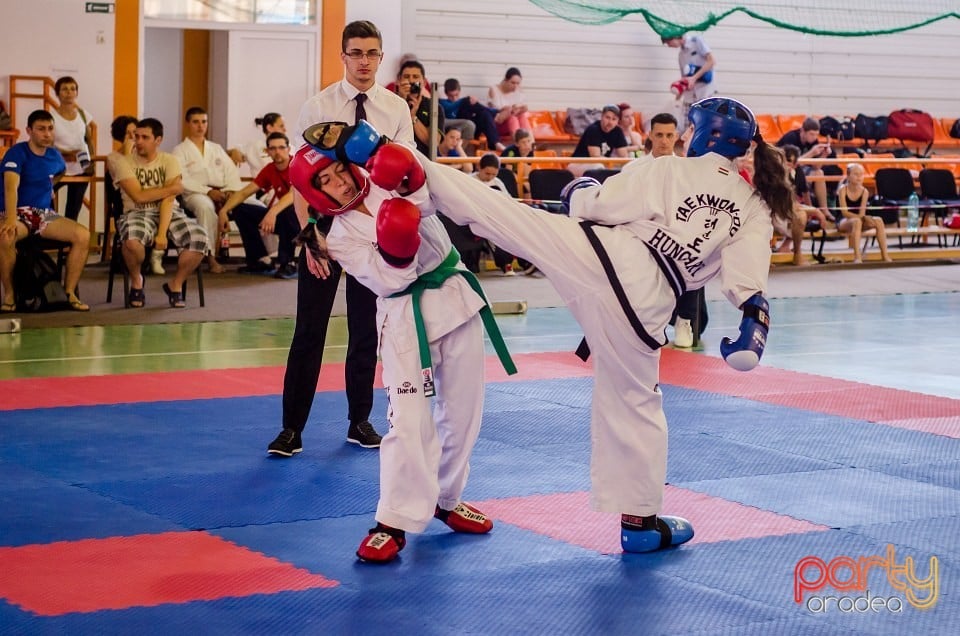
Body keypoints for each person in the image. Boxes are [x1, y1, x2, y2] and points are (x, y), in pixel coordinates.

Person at [392, 96, 791, 553]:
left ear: (701, 134)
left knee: (506, 218)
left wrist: (579, 190)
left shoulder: (667, 167)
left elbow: (599, 206)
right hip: (647, 308)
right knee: (637, 405)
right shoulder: (756, 207)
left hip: (604, 258)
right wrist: (752, 323)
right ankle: (640, 523)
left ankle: (409, 166)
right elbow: (747, 283)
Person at [288, 124, 516, 563]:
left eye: (339, 171)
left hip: (456, 299)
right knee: (408, 425)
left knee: (465, 414)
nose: (340, 183)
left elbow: (433, 197)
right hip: (404, 320)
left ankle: (445, 499)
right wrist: (396, 239)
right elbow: (389, 278)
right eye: (326, 182)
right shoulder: (337, 236)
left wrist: (404, 173)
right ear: (316, 194)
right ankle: (392, 521)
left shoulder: (384, 178)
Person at [266, 19, 415, 457]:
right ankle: (291, 429)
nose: (364, 61)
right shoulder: (318, 106)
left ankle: (360, 420)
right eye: (356, 53)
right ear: (343, 55)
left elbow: (405, 172)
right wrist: (310, 234)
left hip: (373, 230)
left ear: (381, 57)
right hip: (325, 229)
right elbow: (300, 177)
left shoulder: (396, 109)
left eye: (372, 53)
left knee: (366, 330)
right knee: (309, 330)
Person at [108, 118, 209, 309]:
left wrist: (162, 234)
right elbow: (138, 196)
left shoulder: (170, 160)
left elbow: (169, 200)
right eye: (136, 136)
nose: (138, 141)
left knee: (200, 239)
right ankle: (137, 279)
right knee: (131, 241)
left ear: (158, 140)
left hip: (170, 211)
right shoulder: (124, 162)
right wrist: (171, 188)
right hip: (136, 213)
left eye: (144, 137)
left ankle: (175, 284)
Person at [626, 112, 704, 348]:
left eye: (669, 135)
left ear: (677, 137)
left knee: (695, 258)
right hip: (642, 236)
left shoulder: (687, 169)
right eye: (659, 135)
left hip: (678, 238)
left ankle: (685, 320)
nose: (663, 140)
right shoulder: (633, 169)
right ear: (649, 135)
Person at [1, 109, 91, 312]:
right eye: (41, 129)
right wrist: (10, 219)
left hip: (43, 214)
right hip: (17, 212)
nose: (47, 133)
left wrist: (50, 187)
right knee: (6, 237)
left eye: (50, 129)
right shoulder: (17, 152)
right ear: (29, 131)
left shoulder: (55, 156)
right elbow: (10, 187)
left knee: (83, 235)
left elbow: (59, 173)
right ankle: (9, 295)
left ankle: (68, 293)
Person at [217, 132, 300, 278]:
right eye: (273, 148)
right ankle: (260, 260)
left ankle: (288, 263)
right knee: (240, 209)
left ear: (288, 149)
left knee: (289, 210)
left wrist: (272, 212)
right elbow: (244, 193)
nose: (277, 152)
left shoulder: (297, 165)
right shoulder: (270, 169)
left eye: (281, 147)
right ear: (268, 152)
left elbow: (293, 195)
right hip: (282, 217)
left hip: (304, 220)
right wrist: (223, 211)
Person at [172, 106, 244, 274]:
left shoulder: (216, 148)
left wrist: (231, 190)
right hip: (194, 194)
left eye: (204, 122)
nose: (200, 126)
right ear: (188, 124)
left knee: (251, 203)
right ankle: (211, 257)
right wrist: (207, 191)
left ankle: (264, 256)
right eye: (196, 122)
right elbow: (182, 179)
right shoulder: (180, 150)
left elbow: (231, 171)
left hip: (222, 191)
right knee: (205, 208)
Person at [50, 76, 95, 222]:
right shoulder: (51, 117)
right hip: (57, 168)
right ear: (57, 93)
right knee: (47, 207)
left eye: (72, 89)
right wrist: (64, 155)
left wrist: (91, 161)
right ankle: (49, 239)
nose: (69, 92)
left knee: (73, 212)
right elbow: (46, 144)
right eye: (64, 89)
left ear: (76, 93)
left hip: (80, 168)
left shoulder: (83, 115)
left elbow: (89, 139)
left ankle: (69, 243)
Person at [776, 117, 841, 217]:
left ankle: (824, 210)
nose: (814, 137)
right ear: (802, 131)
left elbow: (816, 167)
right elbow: (790, 164)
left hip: (800, 171)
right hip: (781, 171)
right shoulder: (791, 138)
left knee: (819, 173)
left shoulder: (813, 142)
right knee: (804, 174)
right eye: (811, 134)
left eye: (816, 134)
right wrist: (811, 153)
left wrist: (824, 155)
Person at [835, 162, 893, 263]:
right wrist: (861, 218)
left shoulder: (864, 191)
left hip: (858, 220)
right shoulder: (842, 190)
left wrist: (865, 218)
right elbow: (844, 212)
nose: (859, 177)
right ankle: (857, 257)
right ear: (848, 176)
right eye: (856, 174)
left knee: (878, 220)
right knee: (857, 222)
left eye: (861, 174)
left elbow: (862, 213)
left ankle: (885, 255)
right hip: (844, 221)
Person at [662, 32, 717, 122]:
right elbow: (684, 78)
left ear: (674, 37)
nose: (669, 46)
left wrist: (694, 78)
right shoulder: (681, 55)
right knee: (688, 125)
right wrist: (676, 101)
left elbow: (711, 61)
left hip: (704, 92)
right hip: (690, 97)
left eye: (668, 42)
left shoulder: (696, 41)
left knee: (704, 122)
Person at [395, 60, 444, 157]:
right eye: (406, 77)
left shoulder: (434, 107)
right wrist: (401, 101)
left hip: (423, 162)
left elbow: (434, 143)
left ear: (424, 82)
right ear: (399, 80)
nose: (411, 81)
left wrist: (413, 117)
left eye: (416, 77)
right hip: (397, 158)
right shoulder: (389, 103)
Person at [439, 78, 502, 151]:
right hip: (454, 128)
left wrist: (499, 111)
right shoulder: (442, 103)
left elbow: (481, 107)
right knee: (468, 103)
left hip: (471, 129)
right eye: (451, 96)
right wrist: (466, 99)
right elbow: (450, 107)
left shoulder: (463, 102)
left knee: (485, 114)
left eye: (456, 95)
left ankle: (495, 143)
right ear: (446, 93)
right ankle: (495, 114)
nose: (454, 98)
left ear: (459, 91)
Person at [569, 104, 628, 177]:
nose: (610, 122)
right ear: (602, 116)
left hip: (602, 164)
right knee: (598, 168)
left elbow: (624, 156)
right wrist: (613, 163)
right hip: (578, 164)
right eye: (607, 117)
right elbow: (595, 157)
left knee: (625, 168)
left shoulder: (618, 131)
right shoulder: (593, 130)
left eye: (614, 119)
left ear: (618, 121)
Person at [228, 112, 287, 176]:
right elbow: (228, 152)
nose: (285, 130)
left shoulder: (290, 148)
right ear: (269, 128)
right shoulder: (255, 146)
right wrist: (234, 152)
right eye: (281, 126)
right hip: (259, 184)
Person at [488, 67, 531, 141]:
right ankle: (519, 145)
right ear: (505, 80)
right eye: (513, 83)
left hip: (514, 125)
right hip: (497, 125)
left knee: (522, 116)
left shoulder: (519, 91)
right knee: (512, 118)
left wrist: (520, 109)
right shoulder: (494, 90)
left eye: (518, 83)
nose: (515, 86)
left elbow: (521, 110)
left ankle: (531, 145)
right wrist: (509, 111)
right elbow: (496, 116)